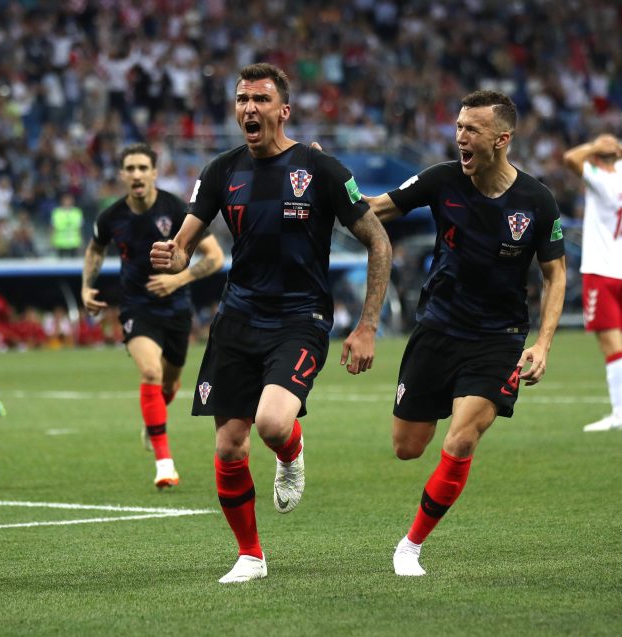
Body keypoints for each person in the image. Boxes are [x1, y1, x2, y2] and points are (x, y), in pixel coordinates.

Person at [150, 63, 392, 583]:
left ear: (283, 110)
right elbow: (185, 248)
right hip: (238, 318)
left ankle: (291, 448)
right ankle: (251, 556)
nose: (249, 109)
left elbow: (378, 239)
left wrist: (368, 324)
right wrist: (171, 256)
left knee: (273, 424)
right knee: (228, 445)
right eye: (242, 99)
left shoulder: (321, 169)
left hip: (300, 317)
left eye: (260, 99)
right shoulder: (221, 171)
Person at [363, 90, 567, 577]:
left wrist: (541, 343)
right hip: (437, 328)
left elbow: (555, 275)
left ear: (502, 139)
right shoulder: (441, 180)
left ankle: (410, 546)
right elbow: (378, 209)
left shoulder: (536, 201)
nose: (460, 137)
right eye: (458, 127)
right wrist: (329, 189)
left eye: (471, 130)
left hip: (498, 338)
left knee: (461, 441)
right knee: (407, 447)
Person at [83, 142, 224, 489]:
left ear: (154, 173)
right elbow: (95, 249)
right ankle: (164, 463)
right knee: (150, 371)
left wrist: (178, 278)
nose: (136, 174)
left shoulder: (175, 209)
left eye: (142, 168)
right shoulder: (111, 217)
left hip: (176, 308)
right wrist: (86, 287)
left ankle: (153, 420)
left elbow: (215, 257)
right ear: (121, 175)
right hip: (136, 307)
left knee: (170, 383)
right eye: (129, 168)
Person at [562, 134, 622, 432]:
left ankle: (620, 414)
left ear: (596, 160)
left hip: (600, 270)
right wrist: (615, 147)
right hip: (621, 269)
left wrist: (594, 146)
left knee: (610, 344)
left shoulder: (602, 181)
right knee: (620, 340)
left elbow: (570, 158)